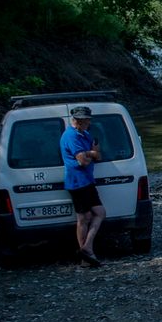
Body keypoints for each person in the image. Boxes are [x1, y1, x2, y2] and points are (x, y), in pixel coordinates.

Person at [60, 106, 104, 267]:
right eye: (86, 120)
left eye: (88, 120)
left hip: (87, 181)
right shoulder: (71, 136)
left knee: (99, 213)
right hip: (77, 182)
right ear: (77, 120)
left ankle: (86, 248)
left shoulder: (85, 134)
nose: (88, 123)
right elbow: (83, 161)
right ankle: (86, 256)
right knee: (84, 218)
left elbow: (99, 156)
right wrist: (91, 153)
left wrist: (92, 154)